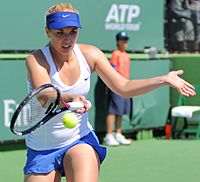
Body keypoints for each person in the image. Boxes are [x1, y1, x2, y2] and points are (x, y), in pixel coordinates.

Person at [24, 3, 196, 182]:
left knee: (83, 156)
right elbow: (45, 96)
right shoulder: (36, 60)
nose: (67, 39)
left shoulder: (90, 54)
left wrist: (164, 79)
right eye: (60, 33)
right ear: (48, 32)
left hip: (78, 139)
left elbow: (124, 87)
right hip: (42, 148)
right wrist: (69, 98)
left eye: (72, 31)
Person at [104, 31, 132, 146]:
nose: (125, 42)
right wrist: (114, 84)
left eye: (126, 40)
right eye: (122, 40)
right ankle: (109, 135)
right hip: (116, 86)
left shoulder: (126, 55)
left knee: (121, 111)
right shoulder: (115, 54)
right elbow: (113, 70)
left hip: (126, 86)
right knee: (113, 110)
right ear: (117, 41)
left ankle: (118, 133)